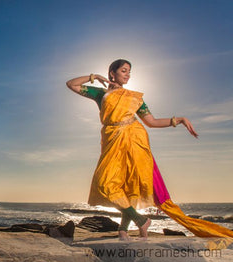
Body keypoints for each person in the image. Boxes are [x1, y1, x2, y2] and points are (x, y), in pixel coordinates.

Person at [66, 59, 233, 241]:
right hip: (112, 141)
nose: (128, 74)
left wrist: (179, 120)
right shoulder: (101, 94)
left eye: (129, 71)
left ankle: (124, 230)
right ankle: (140, 220)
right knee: (105, 184)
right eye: (124, 70)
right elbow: (71, 84)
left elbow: (151, 122)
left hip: (135, 140)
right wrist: (94, 76)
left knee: (130, 185)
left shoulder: (135, 97)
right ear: (112, 73)